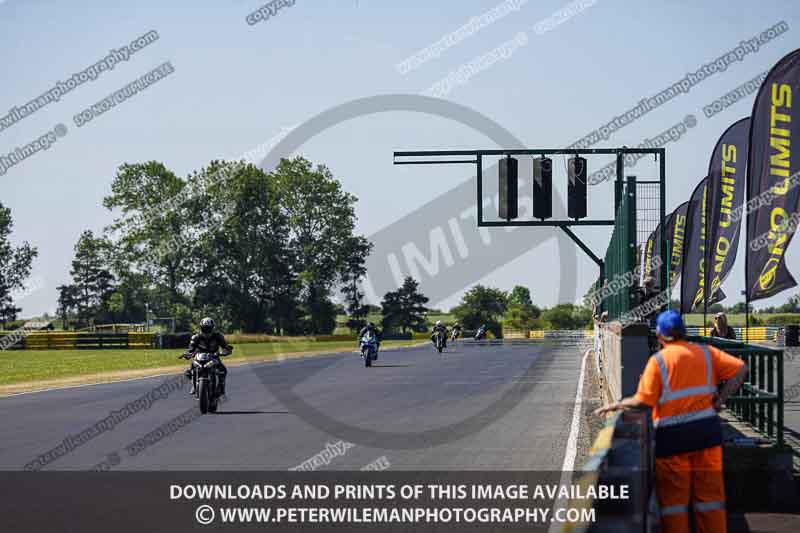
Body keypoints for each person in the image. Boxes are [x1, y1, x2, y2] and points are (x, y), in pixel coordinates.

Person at [594, 310, 748, 533]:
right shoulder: (706, 353)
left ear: (659, 336)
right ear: (684, 332)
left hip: (672, 438)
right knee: (711, 499)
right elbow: (741, 368)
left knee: (674, 504)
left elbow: (642, 402)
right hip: (707, 434)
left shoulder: (659, 362)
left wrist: (615, 406)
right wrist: (721, 399)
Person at [184, 317, 233, 396]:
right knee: (188, 372)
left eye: (208, 328)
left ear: (212, 328)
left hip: (214, 356)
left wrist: (226, 351)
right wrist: (188, 354)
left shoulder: (218, 336)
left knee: (223, 370)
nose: (206, 330)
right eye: (204, 328)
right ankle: (193, 385)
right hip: (199, 357)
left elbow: (225, 346)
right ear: (201, 328)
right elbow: (191, 348)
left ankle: (221, 387)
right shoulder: (196, 337)